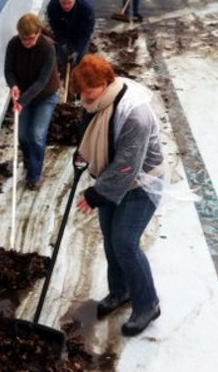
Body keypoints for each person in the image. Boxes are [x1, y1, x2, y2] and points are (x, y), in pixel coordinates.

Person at [73, 54, 164, 337]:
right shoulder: (96, 102)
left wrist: (95, 194)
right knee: (111, 239)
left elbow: (127, 166)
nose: (85, 98)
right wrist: (83, 153)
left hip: (141, 183)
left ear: (105, 82)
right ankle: (120, 290)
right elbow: (92, 133)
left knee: (124, 242)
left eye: (90, 91)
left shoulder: (134, 114)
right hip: (111, 178)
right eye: (82, 92)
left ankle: (148, 304)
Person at [4, 14, 60, 190]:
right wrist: (13, 85)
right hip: (24, 95)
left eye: (31, 39)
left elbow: (42, 81)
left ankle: (34, 175)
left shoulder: (48, 48)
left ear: (38, 34)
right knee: (22, 136)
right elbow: (8, 70)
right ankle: (29, 160)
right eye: (24, 39)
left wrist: (22, 100)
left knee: (36, 135)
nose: (27, 42)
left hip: (45, 96)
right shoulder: (13, 45)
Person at [46, 0, 96, 70]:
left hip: (80, 31)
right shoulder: (53, 6)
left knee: (82, 57)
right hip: (63, 29)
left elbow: (87, 31)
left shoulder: (86, 7)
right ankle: (63, 70)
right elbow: (55, 26)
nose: (66, 6)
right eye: (63, 3)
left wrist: (77, 49)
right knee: (62, 56)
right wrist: (63, 42)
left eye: (69, 3)